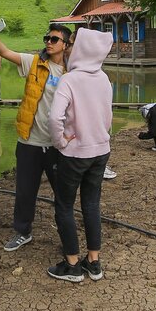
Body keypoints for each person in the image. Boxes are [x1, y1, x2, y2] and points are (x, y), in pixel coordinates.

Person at [0, 22, 72, 252]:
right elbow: (5, 53)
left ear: (66, 44)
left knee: (63, 192)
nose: (49, 43)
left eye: (54, 39)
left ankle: (67, 235)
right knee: (25, 190)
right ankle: (22, 231)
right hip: (29, 141)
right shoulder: (34, 62)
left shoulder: (73, 72)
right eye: (47, 38)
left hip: (57, 144)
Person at [47, 27, 114, 282]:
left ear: (82, 50)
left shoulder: (70, 79)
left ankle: (72, 264)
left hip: (74, 154)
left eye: (72, 44)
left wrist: (60, 142)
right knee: (92, 204)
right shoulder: (104, 78)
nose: (69, 48)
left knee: (64, 205)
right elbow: (107, 117)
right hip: (100, 151)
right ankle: (93, 262)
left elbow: (55, 117)